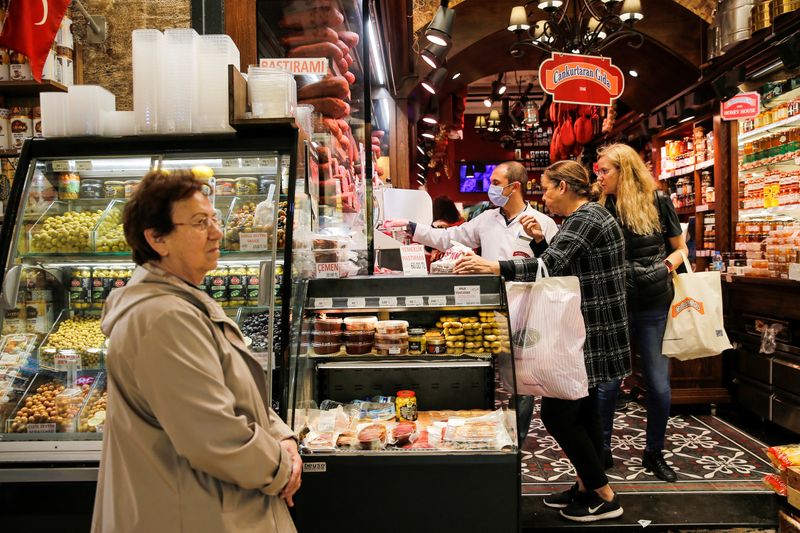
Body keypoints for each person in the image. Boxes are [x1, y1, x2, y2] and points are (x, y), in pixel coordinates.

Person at [92, 170, 301, 533]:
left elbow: (232, 392)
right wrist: (279, 469)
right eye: (200, 223)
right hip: (193, 511)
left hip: (214, 503)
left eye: (215, 219)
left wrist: (281, 435)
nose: (217, 232)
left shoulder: (182, 304)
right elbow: (212, 435)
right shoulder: (164, 319)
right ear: (157, 239)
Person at [454, 160, 630, 523]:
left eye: (547, 187)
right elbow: (561, 263)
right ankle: (586, 488)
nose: (544, 195)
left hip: (590, 330)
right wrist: (538, 241)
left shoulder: (586, 219)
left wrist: (494, 267)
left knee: (558, 413)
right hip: (590, 326)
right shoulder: (585, 218)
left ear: (564, 187)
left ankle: (605, 495)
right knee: (583, 412)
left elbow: (549, 265)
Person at [594, 143, 689, 482]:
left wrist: (663, 268)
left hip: (653, 302)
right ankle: (602, 451)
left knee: (659, 385)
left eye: (605, 171)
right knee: (607, 385)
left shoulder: (658, 200)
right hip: (615, 305)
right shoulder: (600, 206)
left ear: (625, 169)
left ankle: (654, 453)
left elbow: (680, 249)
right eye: (598, 171)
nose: (600, 177)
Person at [387, 161, 558, 260]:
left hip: (530, 301)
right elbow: (449, 238)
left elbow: (553, 265)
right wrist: (411, 227)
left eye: (496, 183)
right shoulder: (486, 219)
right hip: (495, 302)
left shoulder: (544, 223)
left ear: (514, 187)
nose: (491, 188)